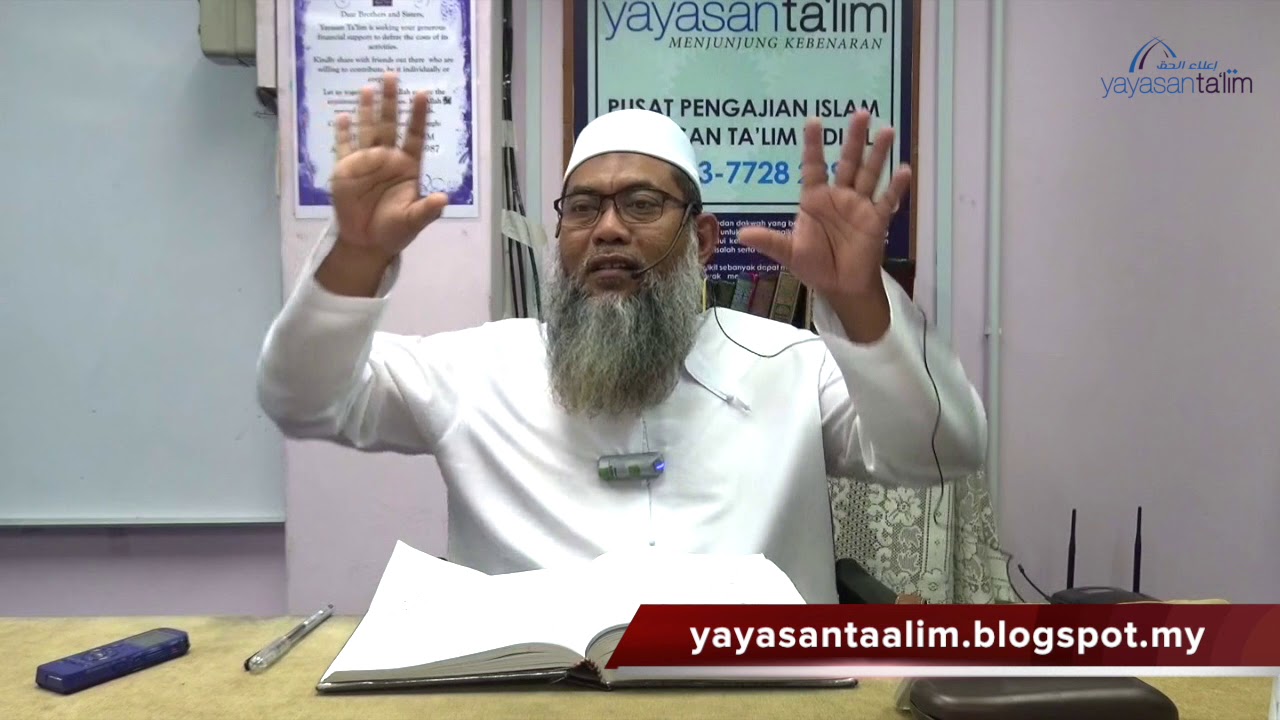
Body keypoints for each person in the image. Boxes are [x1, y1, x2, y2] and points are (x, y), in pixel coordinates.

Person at [257, 73, 987, 603]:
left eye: (641, 204)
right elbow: (303, 400)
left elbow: (945, 451)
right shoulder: (480, 370)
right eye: (582, 208)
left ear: (702, 238)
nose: (607, 228)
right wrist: (356, 255)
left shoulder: (789, 365)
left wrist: (858, 299)